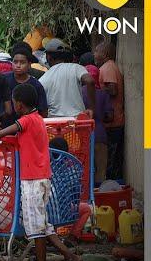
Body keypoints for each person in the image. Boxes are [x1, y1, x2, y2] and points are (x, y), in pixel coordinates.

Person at [0, 83, 82, 261]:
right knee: (45, 226)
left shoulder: (25, 120)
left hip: (32, 179)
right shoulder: (37, 118)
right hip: (41, 177)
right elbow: (14, 135)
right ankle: (71, 257)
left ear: (19, 105)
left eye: (14, 103)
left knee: (37, 229)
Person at [48, 137, 93, 246]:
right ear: (66, 152)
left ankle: (50, 236)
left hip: (45, 213)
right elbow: (76, 194)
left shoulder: (44, 168)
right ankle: (73, 236)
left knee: (51, 203)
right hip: (64, 212)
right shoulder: (72, 170)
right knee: (86, 209)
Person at [39, 39, 95, 119]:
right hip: (76, 121)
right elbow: (90, 81)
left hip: (54, 123)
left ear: (48, 57)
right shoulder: (76, 68)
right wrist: (91, 109)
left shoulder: (43, 78)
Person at [94, 41, 125, 180]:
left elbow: (112, 89)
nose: (94, 54)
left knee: (110, 162)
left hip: (113, 123)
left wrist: (96, 91)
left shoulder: (108, 68)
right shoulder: (108, 67)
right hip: (111, 121)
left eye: (96, 51)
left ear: (104, 54)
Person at [83, 64, 113, 184]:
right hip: (100, 133)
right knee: (101, 171)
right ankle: (100, 198)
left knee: (85, 169)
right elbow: (110, 116)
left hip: (83, 135)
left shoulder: (79, 92)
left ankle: (88, 197)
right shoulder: (103, 94)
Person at [3, 44, 48, 124]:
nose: (18, 65)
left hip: (29, 127)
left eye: (22, 62)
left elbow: (43, 112)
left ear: (29, 64)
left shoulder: (36, 85)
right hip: (5, 128)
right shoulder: (4, 80)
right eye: (15, 62)